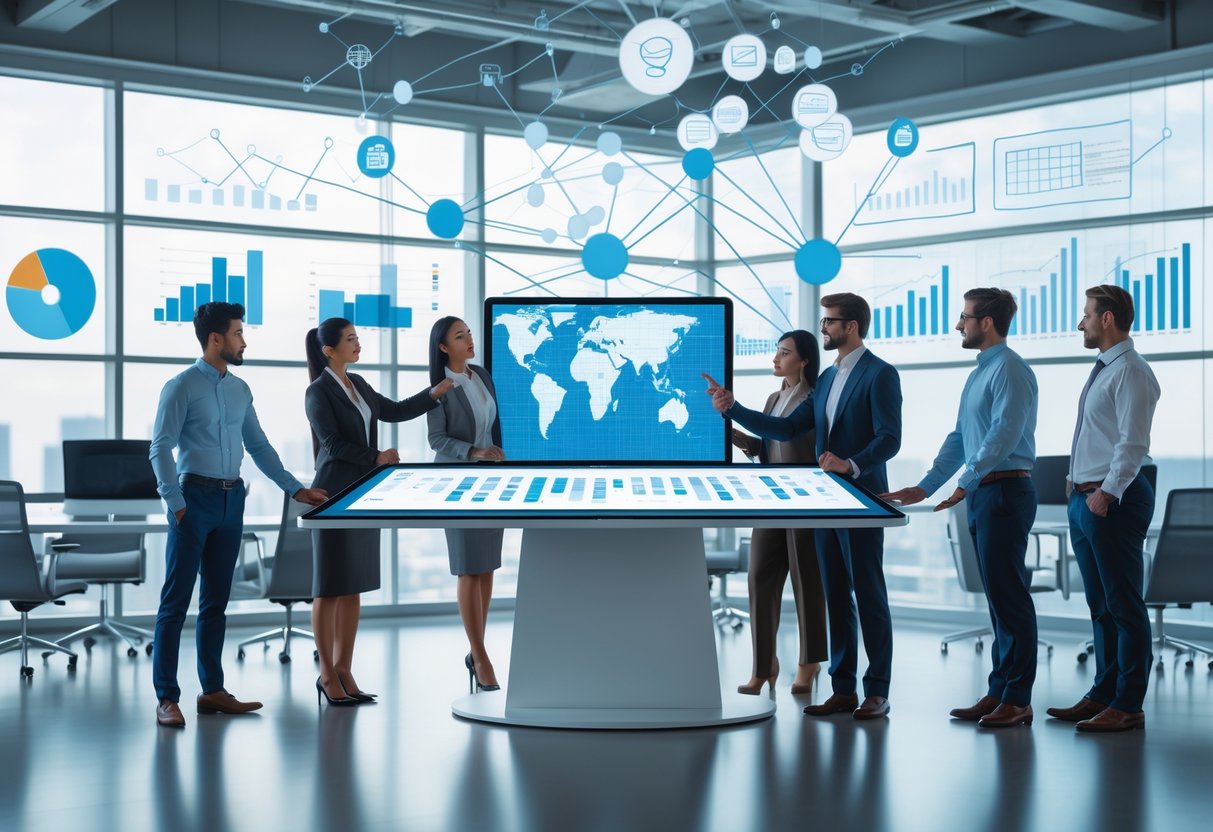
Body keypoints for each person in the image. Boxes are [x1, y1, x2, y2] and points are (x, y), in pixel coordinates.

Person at [705, 292, 901, 720]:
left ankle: (877, 690)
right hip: (824, 503)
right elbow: (789, 426)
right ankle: (843, 688)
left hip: (862, 498)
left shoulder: (880, 374)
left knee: (868, 595)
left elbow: (890, 438)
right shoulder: (829, 380)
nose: (824, 328)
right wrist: (732, 408)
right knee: (835, 595)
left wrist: (851, 463)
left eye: (829, 322)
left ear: (850, 326)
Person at [149, 302, 328, 728]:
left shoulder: (240, 389)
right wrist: (174, 503)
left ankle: (212, 690)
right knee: (175, 602)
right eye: (237, 333)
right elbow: (160, 447)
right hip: (193, 499)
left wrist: (295, 487)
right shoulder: (181, 386)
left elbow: (259, 447)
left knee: (216, 602)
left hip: (233, 500)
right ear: (216, 339)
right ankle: (166, 698)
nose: (243, 341)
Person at [883, 288, 1040, 728]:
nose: (958, 325)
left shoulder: (1009, 369)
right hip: (987, 490)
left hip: (1004, 491)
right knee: (997, 600)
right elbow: (960, 438)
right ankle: (999, 692)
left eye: (964, 317)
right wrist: (927, 486)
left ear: (986, 322)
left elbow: (1004, 435)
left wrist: (965, 483)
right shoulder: (981, 372)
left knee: (1010, 597)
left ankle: (1018, 698)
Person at [304, 317, 454, 706]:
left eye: (358, 338)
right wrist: (377, 456)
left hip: (363, 493)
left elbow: (394, 410)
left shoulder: (358, 385)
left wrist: (434, 393)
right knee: (329, 587)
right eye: (351, 339)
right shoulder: (318, 392)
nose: (358, 344)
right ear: (329, 351)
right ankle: (325, 675)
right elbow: (332, 445)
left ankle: (344, 669)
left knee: (353, 584)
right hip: (334, 493)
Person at [1046, 285, 1159, 733]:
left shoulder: (1131, 371)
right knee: (1101, 606)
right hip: (1086, 497)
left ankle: (1128, 703)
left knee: (1124, 604)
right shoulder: (1106, 369)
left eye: (1087, 315)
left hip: (1114, 500)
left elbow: (1134, 444)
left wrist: (1106, 493)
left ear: (1107, 318)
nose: (1081, 323)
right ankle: (1103, 693)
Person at [730, 330, 828, 696]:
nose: (776, 359)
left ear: (804, 361)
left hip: (805, 501)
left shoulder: (816, 398)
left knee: (807, 584)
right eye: (776, 351)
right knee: (760, 579)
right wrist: (741, 438)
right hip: (771, 500)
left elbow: (788, 434)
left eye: (784, 353)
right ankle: (763, 667)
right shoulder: (774, 397)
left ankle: (809, 662)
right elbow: (768, 444)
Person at [426, 316, 506, 693]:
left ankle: (478, 650)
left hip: (491, 484)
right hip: (457, 484)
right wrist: (474, 452)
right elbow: (437, 440)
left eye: (469, 334)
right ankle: (480, 653)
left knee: (486, 566)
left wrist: (501, 455)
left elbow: (494, 424)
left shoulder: (481, 375)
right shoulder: (439, 388)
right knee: (467, 569)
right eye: (460, 336)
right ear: (444, 347)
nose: (469, 340)